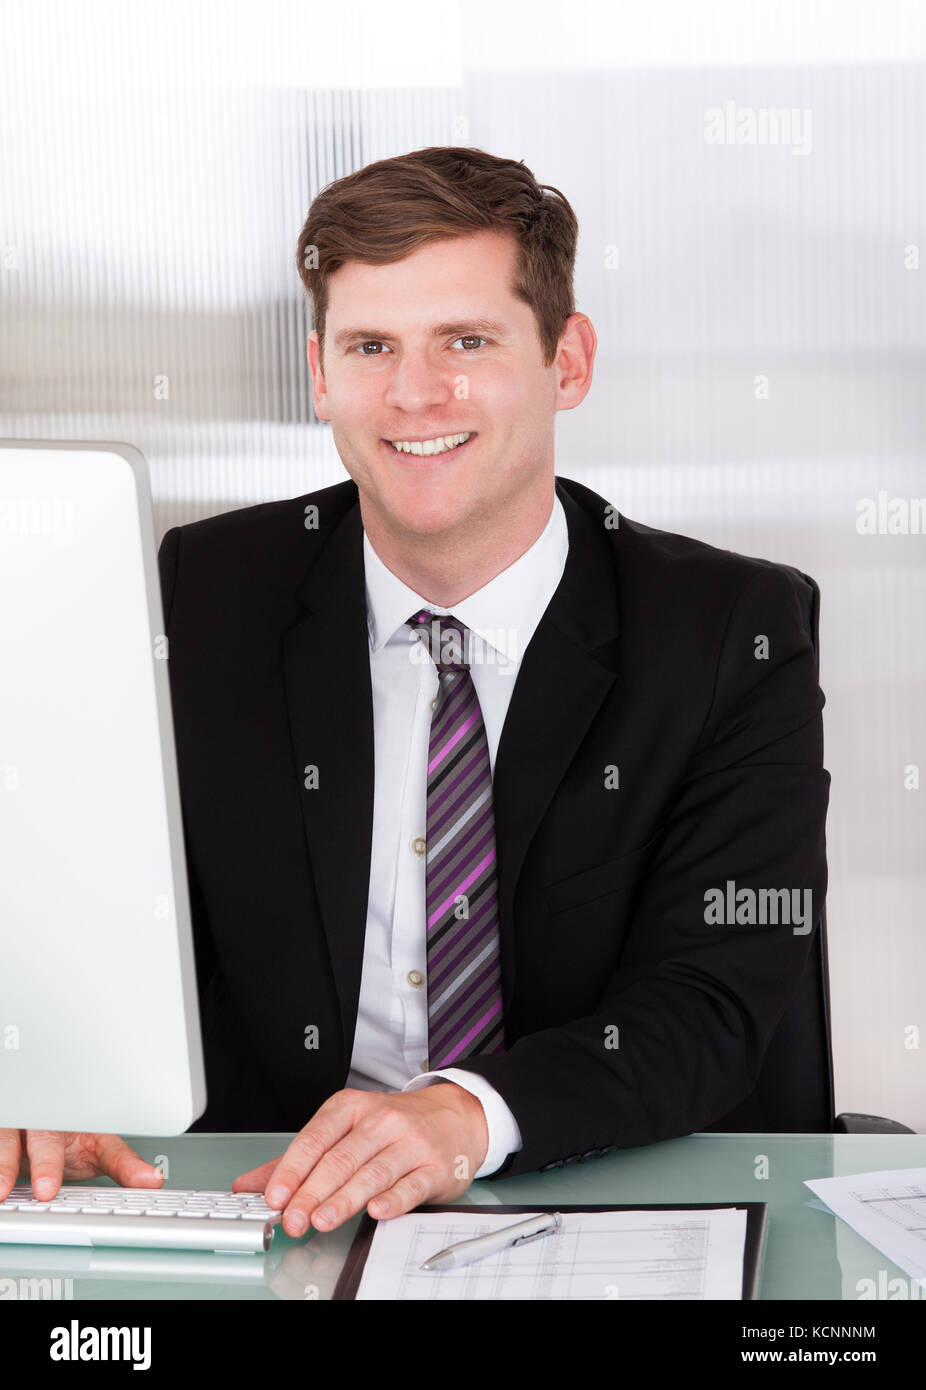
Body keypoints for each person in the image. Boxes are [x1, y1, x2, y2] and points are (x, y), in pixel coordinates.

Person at [0, 147, 830, 1243]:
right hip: (274, 1206)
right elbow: (80, 908)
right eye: (371, 346)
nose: (413, 393)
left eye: (467, 341)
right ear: (319, 373)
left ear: (565, 361)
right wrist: (48, 1067)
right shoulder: (196, 597)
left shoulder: (731, 629)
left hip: (618, 1206)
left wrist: (463, 1116)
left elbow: (710, 1000)